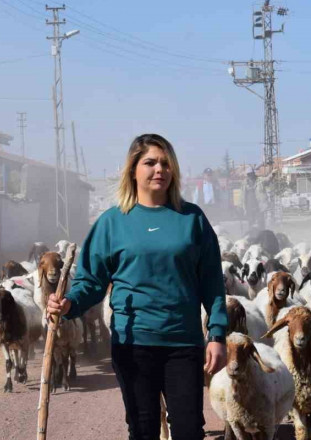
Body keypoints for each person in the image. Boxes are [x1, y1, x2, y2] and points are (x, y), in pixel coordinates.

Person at [46, 134, 228, 440]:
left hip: (183, 343)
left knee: (189, 431)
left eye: (166, 163)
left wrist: (218, 334)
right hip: (133, 344)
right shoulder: (112, 222)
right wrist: (68, 305)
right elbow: (91, 280)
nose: (160, 169)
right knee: (143, 431)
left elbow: (212, 282)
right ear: (133, 170)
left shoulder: (192, 218)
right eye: (150, 162)